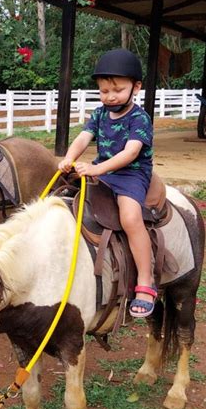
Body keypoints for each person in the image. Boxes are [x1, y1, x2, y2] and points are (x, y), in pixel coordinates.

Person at [58, 48, 157, 317]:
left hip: (130, 174)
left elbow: (131, 152)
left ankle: (146, 281)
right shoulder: (100, 113)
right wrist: (68, 157)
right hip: (103, 171)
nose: (110, 96)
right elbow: (83, 137)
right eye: (104, 91)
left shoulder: (139, 118)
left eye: (117, 90)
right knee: (63, 201)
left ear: (135, 87)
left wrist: (96, 168)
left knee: (130, 217)